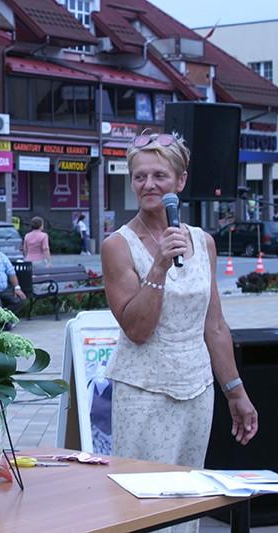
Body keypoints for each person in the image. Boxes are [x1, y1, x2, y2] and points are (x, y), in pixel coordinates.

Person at [102, 132, 257, 532]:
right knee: (145, 506)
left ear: (180, 182)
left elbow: (215, 325)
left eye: (159, 176)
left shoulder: (202, 242)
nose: (149, 185)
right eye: (139, 177)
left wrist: (235, 392)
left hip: (196, 391)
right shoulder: (118, 245)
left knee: (187, 504)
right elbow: (136, 329)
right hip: (144, 390)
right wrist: (158, 266)